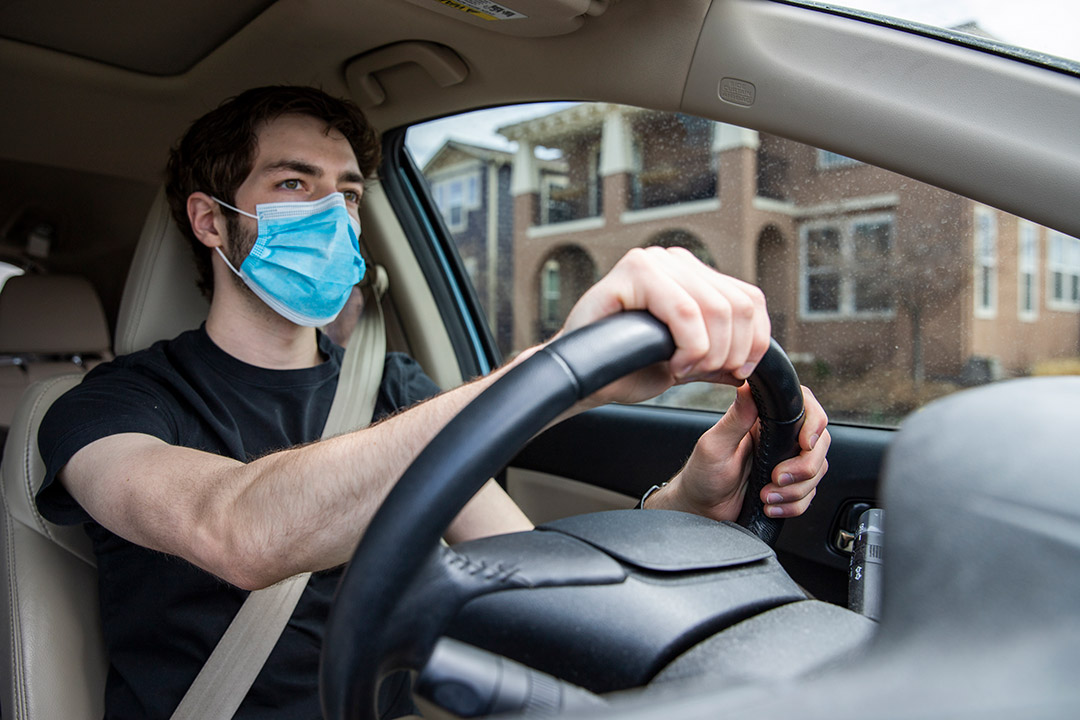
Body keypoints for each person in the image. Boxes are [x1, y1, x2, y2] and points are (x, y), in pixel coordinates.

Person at [35, 86, 829, 719]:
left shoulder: (394, 391)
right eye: (292, 183)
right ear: (212, 221)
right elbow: (232, 528)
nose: (333, 214)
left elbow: (531, 579)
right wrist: (556, 371)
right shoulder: (108, 405)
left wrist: (690, 498)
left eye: (345, 192)